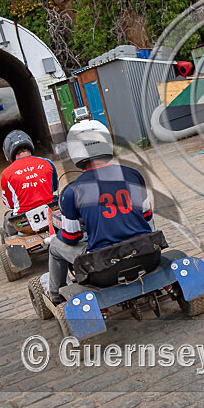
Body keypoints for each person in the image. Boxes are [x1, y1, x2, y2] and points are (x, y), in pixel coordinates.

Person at [47, 120, 156, 305]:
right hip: (148, 258)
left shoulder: (71, 192)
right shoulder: (133, 174)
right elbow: (147, 216)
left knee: (55, 245)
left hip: (104, 270)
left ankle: (56, 298)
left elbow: (71, 237)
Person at [0, 130, 58, 234]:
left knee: (7, 218)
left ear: (8, 152)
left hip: (25, 223)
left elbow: (9, 204)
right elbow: (54, 187)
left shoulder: (6, 174)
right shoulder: (47, 163)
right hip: (53, 213)